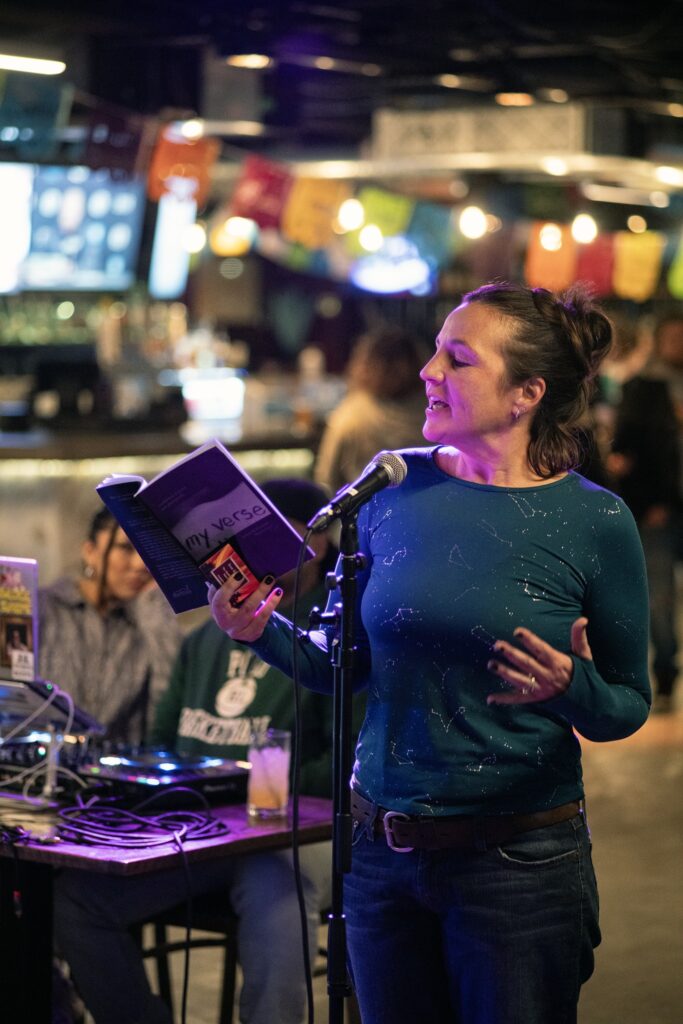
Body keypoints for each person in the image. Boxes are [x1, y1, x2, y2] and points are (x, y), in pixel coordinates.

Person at [209, 282, 651, 1024]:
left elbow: (625, 706)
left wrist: (571, 686)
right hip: (383, 855)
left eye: (457, 359)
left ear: (524, 394)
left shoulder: (594, 522)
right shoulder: (390, 487)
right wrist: (262, 632)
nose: (427, 372)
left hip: (517, 865)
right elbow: (337, 662)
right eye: (433, 353)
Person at [54, 479, 364, 1024]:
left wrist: (254, 788)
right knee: (77, 898)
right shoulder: (207, 637)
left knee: (275, 877)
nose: (247, 555)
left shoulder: (336, 632)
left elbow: (346, 770)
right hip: (199, 830)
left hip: (289, 835)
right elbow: (165, 745)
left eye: (268, 538)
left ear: (311, 545)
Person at [38, 508, 182, 744]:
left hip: (114, 773)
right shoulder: (45, 608)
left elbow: (167, 710)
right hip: (39, 768)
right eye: (125, 548)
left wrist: (155, 613)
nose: (139, 564)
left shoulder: (147, 624)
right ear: (90, 551)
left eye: (148, 553)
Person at [608, 312, 683, 712]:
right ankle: (667, 672)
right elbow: (626, 451)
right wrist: (648, 500)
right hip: (660, 510)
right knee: (661, 596)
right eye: (672, 336)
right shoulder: (642, 389)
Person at [314, 323, 430, 494]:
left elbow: (326, 479)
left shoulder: (351, 415)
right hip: (425, 511)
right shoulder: (436, 411)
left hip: (364, 516)